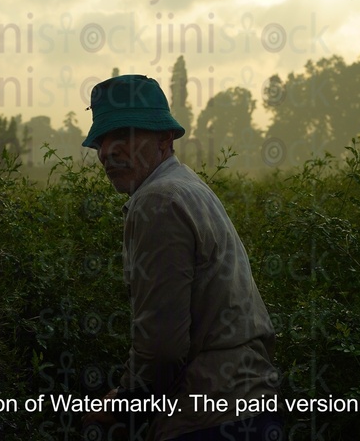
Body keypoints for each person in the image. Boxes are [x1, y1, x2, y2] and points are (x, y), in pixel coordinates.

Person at [80, 74, 281, 441]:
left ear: (164, 138)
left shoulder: (158, 202)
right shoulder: (188, 186)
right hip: (247, 407)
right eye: (101, 140)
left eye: (123, 135)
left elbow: (162, 346)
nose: (107, 150)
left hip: (209, 419)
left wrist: (124, 404)